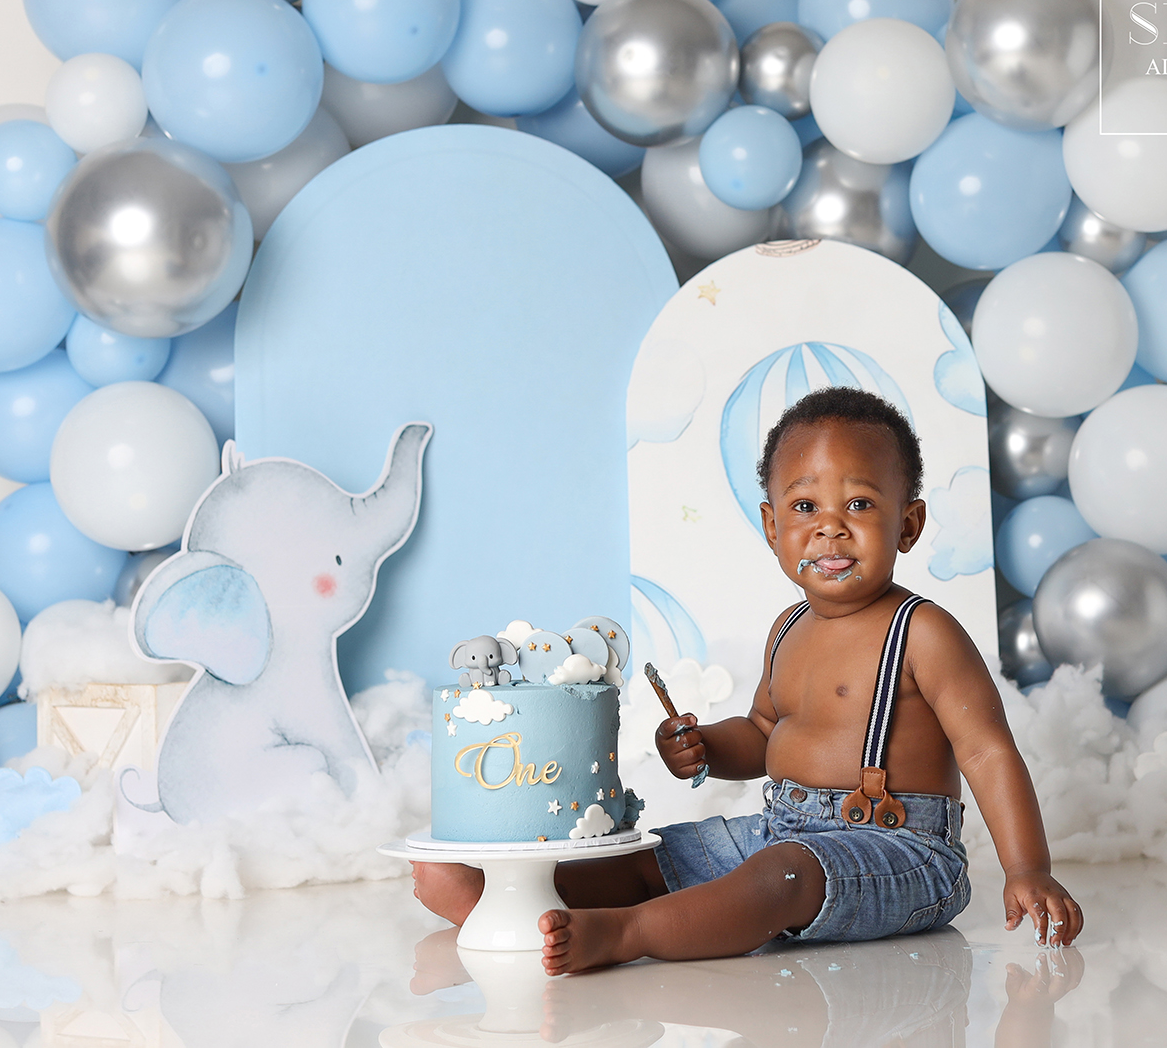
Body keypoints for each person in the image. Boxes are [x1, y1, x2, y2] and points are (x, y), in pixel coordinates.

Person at [412, 385, 1082, 974]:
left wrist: (1028, 868)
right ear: (771, 525)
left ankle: (626, 933)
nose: (829, 527)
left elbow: (988, 749)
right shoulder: (789, 627)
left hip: (896, 847)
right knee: (656, 855)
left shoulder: (923, 632)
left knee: (777, 876)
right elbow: (764, 734)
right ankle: (508, 895)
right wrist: (705, 745)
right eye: (803, 506)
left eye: (859, 502)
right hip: (778, 825)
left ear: (908, 524)